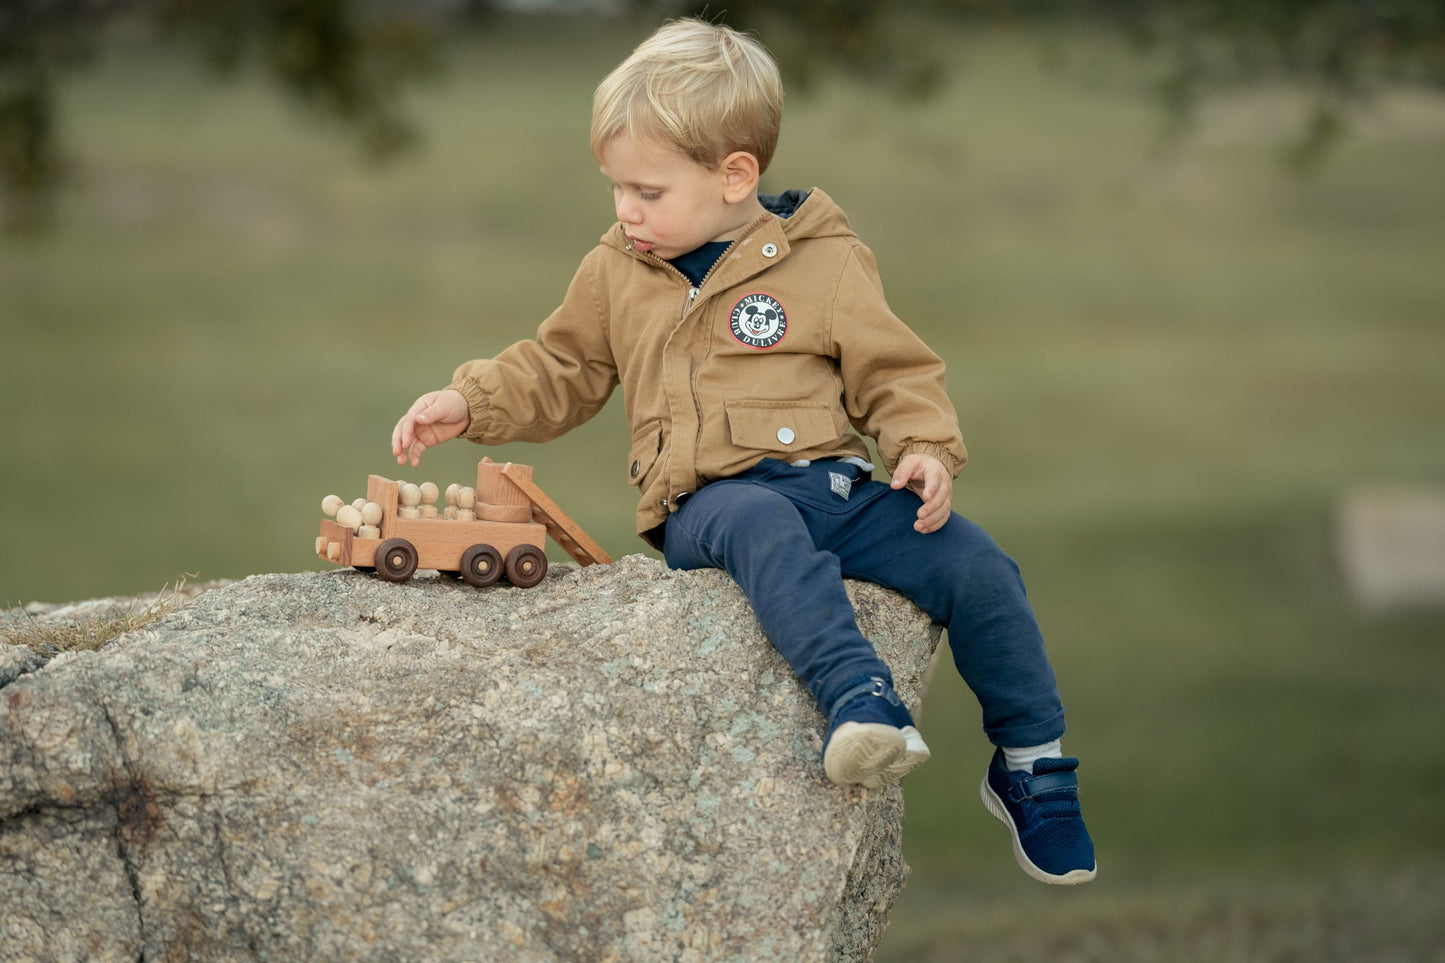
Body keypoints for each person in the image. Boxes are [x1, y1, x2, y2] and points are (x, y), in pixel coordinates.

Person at [391, 18, 1095, 885]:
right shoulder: (616, 270)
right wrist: (471, 400)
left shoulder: (824, 260)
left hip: (837, 493)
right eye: (616, 188)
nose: (625, 210)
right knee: (761, 521)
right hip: (709, 503)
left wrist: (922, 447)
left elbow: (892, 370)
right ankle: (857, 697)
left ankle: (1031, 762)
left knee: (978, 563)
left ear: (734, 176)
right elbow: (562, 368)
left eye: (647, 191)